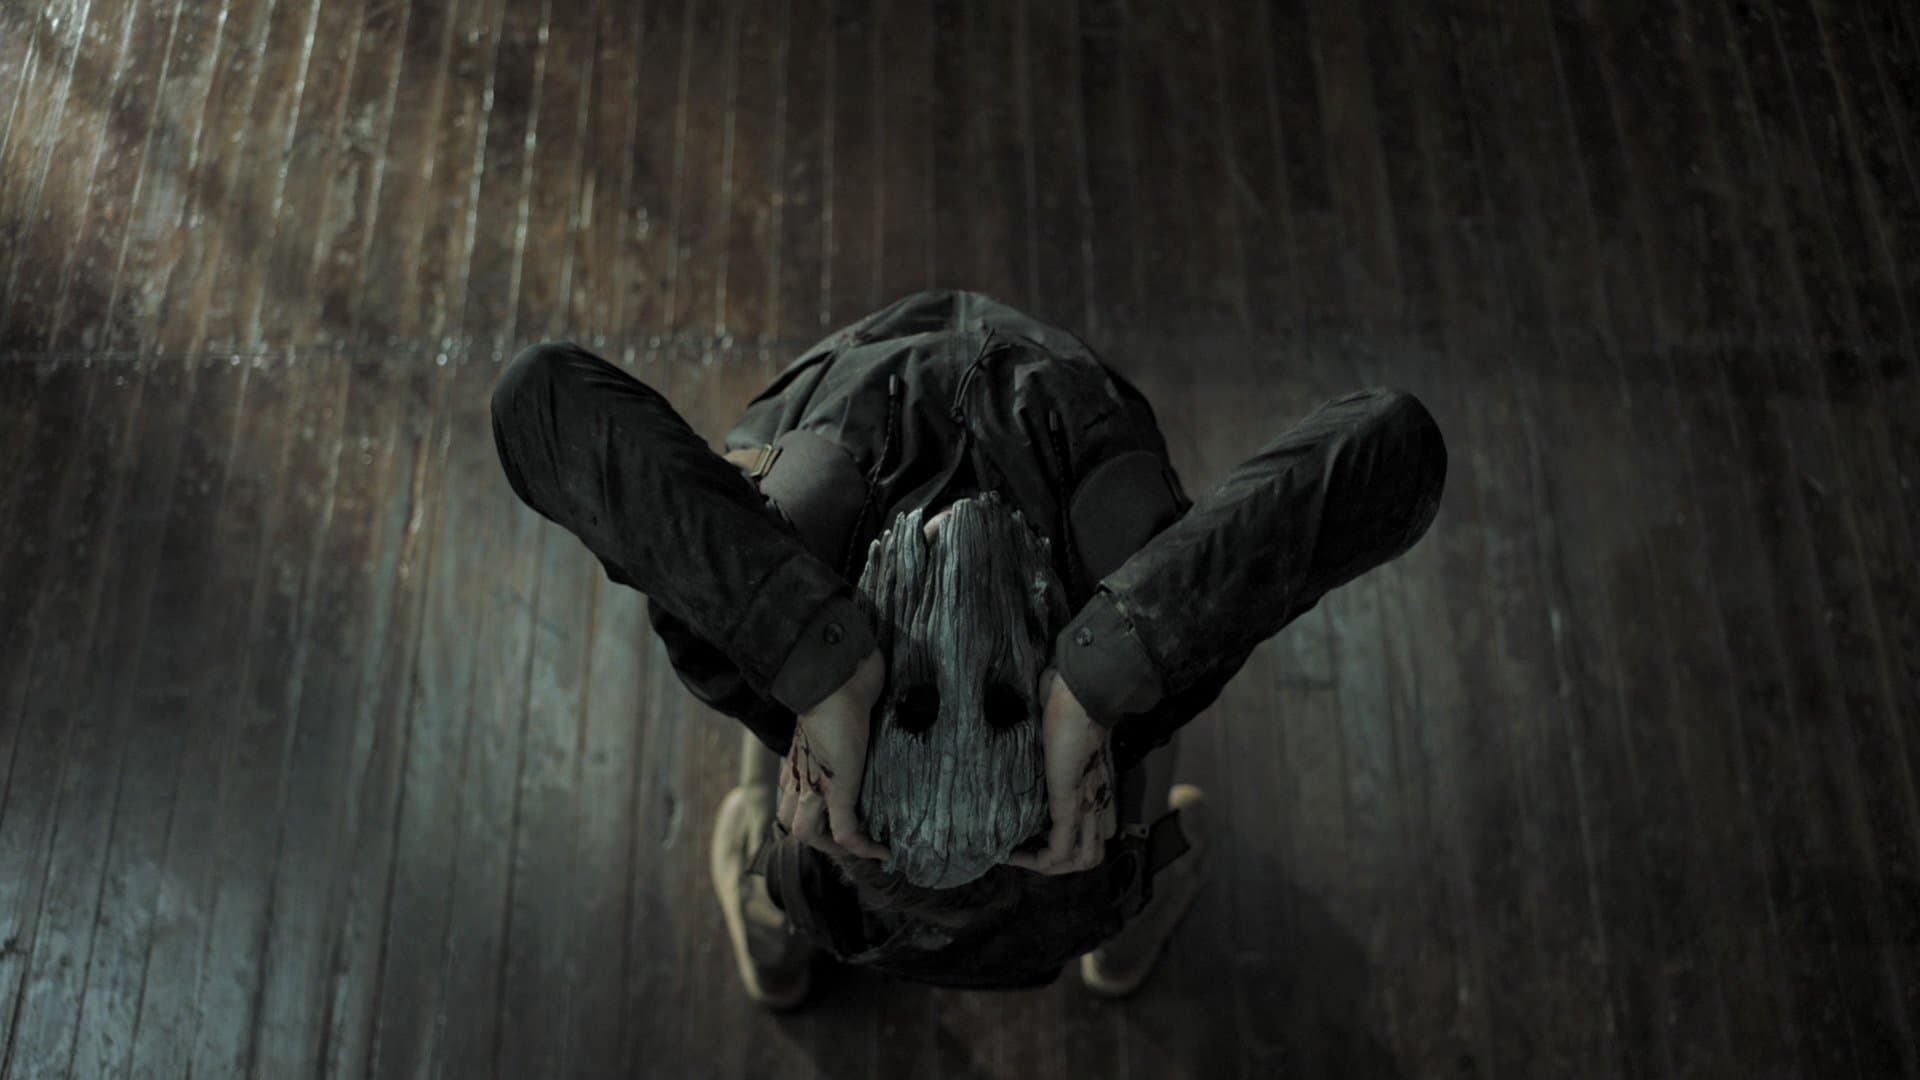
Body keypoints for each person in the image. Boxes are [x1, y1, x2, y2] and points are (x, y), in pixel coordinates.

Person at [489, 289, 1447, 1007]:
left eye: (907, 701)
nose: (950, 588)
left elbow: (541, 397)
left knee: (765, 712)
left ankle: (773, 913)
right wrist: (1100, 682)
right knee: (1154, 725)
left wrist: (813, 663)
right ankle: (1123, 927)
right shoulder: (1122, 599)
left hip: (839, 425)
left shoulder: (776, 642)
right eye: (1002, 700)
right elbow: (1392, 448)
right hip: (1059, 420)